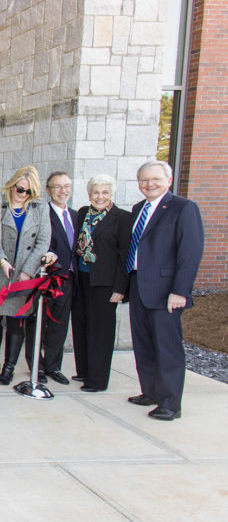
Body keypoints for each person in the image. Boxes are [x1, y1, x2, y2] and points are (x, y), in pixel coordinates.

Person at [121, 160, 204, 421]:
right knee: (143, 344)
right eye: (144, 180)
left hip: (166, 292)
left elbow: (189, 254)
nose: (149, 184)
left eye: (155, 179)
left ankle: (170, 403)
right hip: (139, 287)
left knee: (167, 348)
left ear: (168, 180)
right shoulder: (138, 209)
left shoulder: (183, 208)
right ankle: (151, 392)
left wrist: (180, 291)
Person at [0, 165, 51, 387]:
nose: (23, 195)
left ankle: (8, 367)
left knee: (16, 320)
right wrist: (0, 260)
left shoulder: (40, 209)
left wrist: (27, 271)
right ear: (12, 186)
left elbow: (42, 242)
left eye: (29, 192)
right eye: (20, 189)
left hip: (23, 272)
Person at [69, 174, 131, 393]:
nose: (100, 196)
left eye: (105, 192)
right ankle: (85, 370)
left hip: (106, 283)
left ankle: (97, 380)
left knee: (100, 331)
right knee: (81, 324)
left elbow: (125, 255)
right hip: (82, 278)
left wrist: (120, 288)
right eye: (96, 192)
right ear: (89, 194)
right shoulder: (84, 214)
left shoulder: (123, 218)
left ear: (111, 194)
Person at [39, 171, 78, 385]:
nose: (63, 191)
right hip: (47, 279)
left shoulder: (76, 215)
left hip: (69, 279)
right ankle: (37, 366)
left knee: (60, 325)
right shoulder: (41, 213)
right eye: (57, 186)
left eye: (67, 186)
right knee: (40, 323)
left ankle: (53, 366)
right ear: (48, 189)